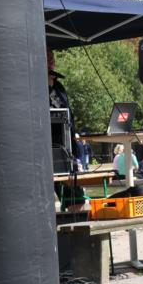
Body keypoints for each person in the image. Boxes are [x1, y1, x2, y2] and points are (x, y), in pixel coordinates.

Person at [47, 48, 87, 211]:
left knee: (76, 200)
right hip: (48, 148)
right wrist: (48, 86)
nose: (51, 62)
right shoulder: (34, 85)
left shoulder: (60, 87)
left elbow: (67, 113)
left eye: (52, 58)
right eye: (47, 58)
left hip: (65, 147)